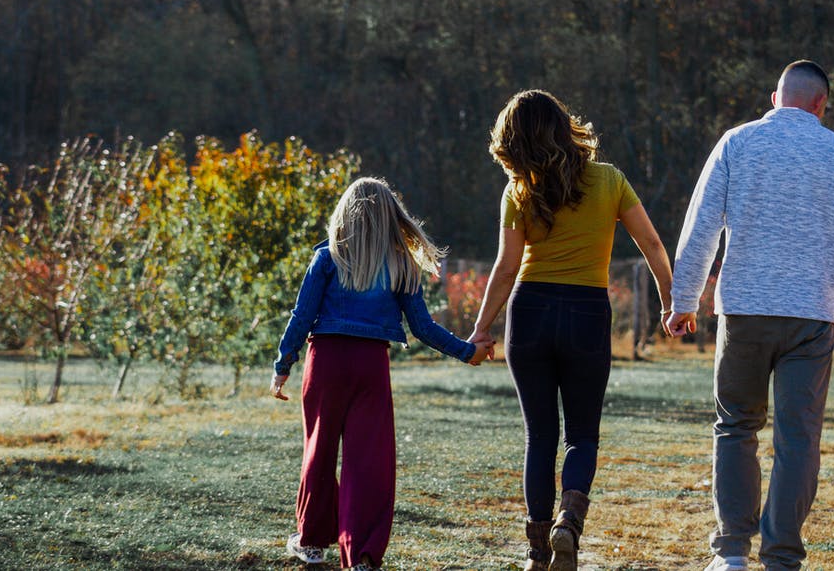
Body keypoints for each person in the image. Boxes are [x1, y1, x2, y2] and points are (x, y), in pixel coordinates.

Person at [666, 60, 834, 571]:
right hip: (811, 318)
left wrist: (684, 299)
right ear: (820, 104)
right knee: (798, 438)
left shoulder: (736, 143)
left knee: (736, 426)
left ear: (774, 98)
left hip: (743, 310)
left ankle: (733, 553)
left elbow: (701, 227)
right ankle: (783, 556)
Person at [467, 89, 674, 571]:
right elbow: (653, 244)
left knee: (539, 436)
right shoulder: (609, 180)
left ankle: (538, 554)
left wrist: (481, 329)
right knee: (581, 436)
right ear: (564, 126)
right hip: (585, 313)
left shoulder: (520, 189)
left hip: (531, 311)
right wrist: (672, 303)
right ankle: (568, 524)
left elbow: (505, 266)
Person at [270, 177, 492, 571]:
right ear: (392, 217)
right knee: (368, 460)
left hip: (326, 362)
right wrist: (467, 352)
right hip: (372, 365)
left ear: (344, 213)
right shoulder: (401, 265)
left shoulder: (327, 258)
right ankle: (362, 555)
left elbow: (301, 316)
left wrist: (283, 365)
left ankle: (311, 542)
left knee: (319, 451)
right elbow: (423, 328)